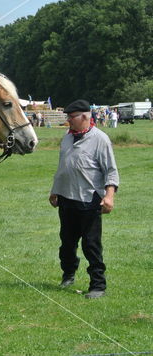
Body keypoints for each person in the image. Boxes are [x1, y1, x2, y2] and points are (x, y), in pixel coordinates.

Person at [49, 100, 119, 299]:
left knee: (91, 244)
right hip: (66, 198)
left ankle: (98, 285)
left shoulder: (100, 139)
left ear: (86, 117)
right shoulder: (67, 138)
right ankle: (68, 274)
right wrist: (55, 191)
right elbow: (63, 168)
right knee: (67, 243)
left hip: (89, 200)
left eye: (72, 117)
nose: (68, 121)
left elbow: (111, 171)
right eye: (68, 117)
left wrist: (109, 196)